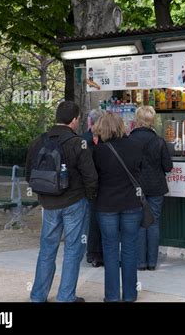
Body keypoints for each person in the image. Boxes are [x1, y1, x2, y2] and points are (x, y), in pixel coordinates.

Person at [25, 101, 98, 302]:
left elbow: (28, 174)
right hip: (75, 202)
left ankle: (38, 295)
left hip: (48, 204)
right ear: (74, 120)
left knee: (47, 249)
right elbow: (90, 176)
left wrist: (45, 194)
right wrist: (89, 197)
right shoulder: (78, 143)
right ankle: (66, 296)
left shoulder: (38, 141)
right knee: (73, 249)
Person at [92, 112, 144, 302]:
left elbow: (93, 178)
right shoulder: (135, 146)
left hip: (106, 205)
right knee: (130, 249)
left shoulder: (98, 151)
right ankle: (130, 295)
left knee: (110, 251)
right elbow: (141, 171)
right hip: (132, 203)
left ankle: (112, 296)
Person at [129, 106, 173, 271]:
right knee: (153, 222)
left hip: (135, 188)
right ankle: (152, 262)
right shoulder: (159, 141)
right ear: (152, 120)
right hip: (156, 187)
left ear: (137, 120)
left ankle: (140, 262)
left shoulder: (129, 140)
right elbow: (168, 167)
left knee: (140, 222)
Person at [82, 108, 104, 267]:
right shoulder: (107, 140)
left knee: (92, 221)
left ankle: (92, 253)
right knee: (101, 220)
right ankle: (98, 253)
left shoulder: (82, 140)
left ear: (89, 122)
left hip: (88, 187)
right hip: (103, 186)